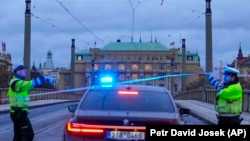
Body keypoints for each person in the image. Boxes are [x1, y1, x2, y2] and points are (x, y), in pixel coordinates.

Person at [7, 64, 54, 141]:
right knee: (28, 135)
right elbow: (31, 84)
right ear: (18, 71)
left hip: (16, 112)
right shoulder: (16, 83)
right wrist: (44, 78)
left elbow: (31, 86)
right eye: (23, 69)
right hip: (19, 113)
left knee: (18, 136)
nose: (25, 71)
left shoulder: (18, 82)